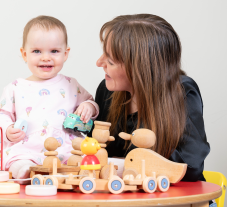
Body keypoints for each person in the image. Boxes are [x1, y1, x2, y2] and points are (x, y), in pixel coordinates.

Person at [89, 14, 210, 183]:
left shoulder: (182, 92)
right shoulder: (107, 90)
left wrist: (123, 165)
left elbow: (190, 168)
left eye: (110, 60)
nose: (99, 62)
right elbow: (96, 151)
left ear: (139, 68)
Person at [0, 15, 99, 183]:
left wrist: (89, 106)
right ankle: (25, 171)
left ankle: (67, 176)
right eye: (37, 51)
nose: (45, 57)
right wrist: (7, 130)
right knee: (16, 159)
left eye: (54, 51)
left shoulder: (71, 84)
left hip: (64, 147)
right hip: (27, 146)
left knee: (78, 159)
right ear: (24, 54)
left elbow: (91, 101)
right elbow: (1, 115)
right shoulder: (15, 87)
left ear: (66, 54)